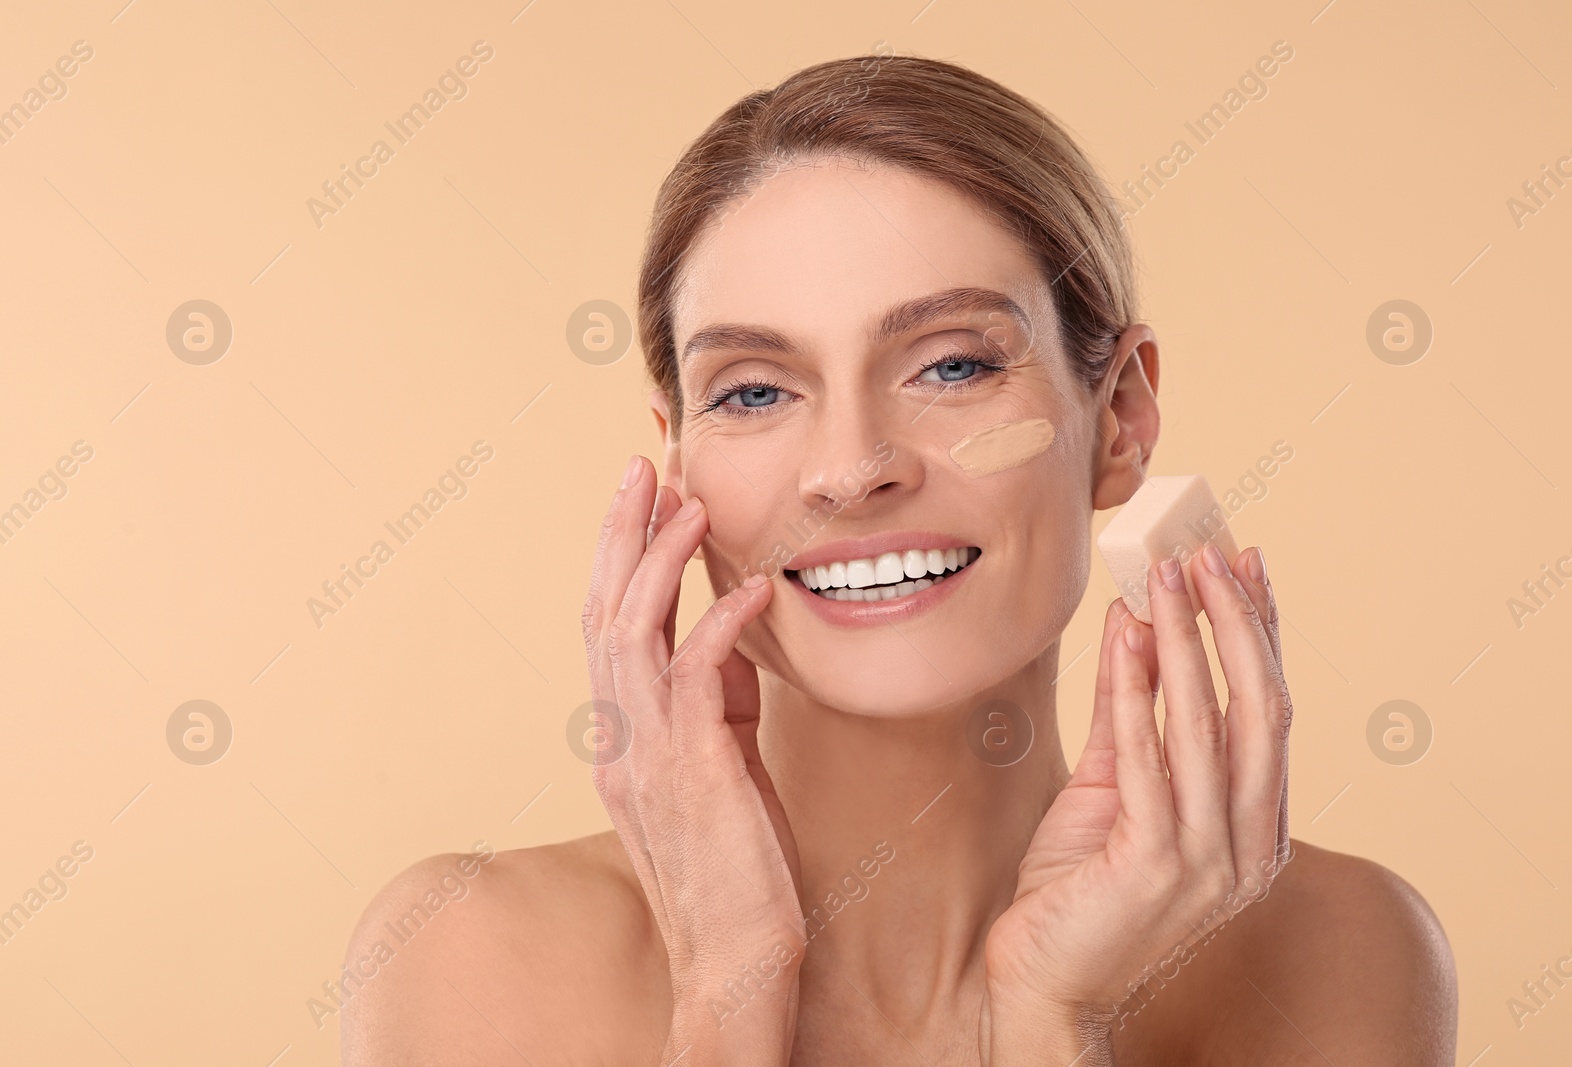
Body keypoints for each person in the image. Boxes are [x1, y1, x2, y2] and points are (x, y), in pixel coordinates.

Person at [342, 54, 1457, 1065]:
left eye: (953, 365)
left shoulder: (1338, 946)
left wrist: (1051, 1023)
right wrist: (729, 997)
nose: (849, 466)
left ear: (1118, 411)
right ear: (676, 462)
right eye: (754, 390)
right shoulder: (469, 959)